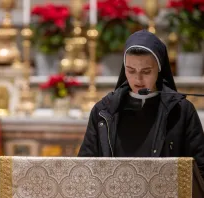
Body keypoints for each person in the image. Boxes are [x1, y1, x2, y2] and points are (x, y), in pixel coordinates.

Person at [78, 29, 204, 177]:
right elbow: (84, 169)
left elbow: (200, 169)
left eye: (146, 72)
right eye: (131, 71)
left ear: (159, 68)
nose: (138, 80)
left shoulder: (181, 110)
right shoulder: (103, 111)